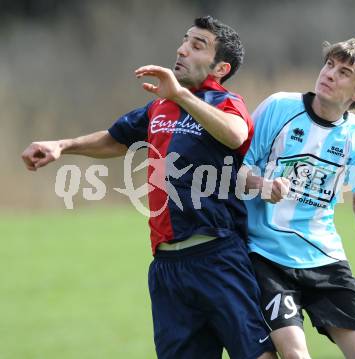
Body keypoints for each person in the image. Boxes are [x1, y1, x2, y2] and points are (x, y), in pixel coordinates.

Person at [22, 16, 275, 359]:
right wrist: (62, 145)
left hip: (217, 258)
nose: (182, 49)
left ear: (220, 68)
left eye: (197, 45)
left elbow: (235, 134)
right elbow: (115, 139)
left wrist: (182, 95)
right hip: (167, 267)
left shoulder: (225, 102)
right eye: (185, 40)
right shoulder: (159, 106)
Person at [242, 38, 355, 359]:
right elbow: (236, 170)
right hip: (267, 257)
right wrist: (262, 185)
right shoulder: (279, 107)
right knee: (294, 354)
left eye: (344, 72)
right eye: (329, 65)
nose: (330, 74)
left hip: (325, 258)